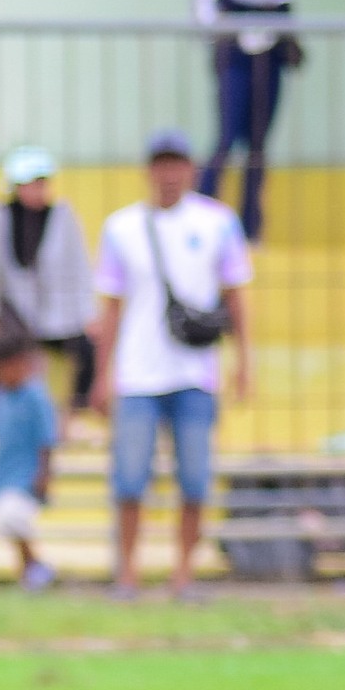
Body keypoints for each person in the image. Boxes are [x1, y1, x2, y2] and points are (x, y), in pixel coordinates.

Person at [92, 128, 251, 599]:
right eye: (160, 164)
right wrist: (104, 374)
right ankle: (129, 574)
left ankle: (184, 574)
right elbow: (111, 308)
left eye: (176, 163)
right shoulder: (121, 228)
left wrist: (244, 360)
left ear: (191, 169)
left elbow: (237, 295)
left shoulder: (218, 223)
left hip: (195, 374)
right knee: (129, 479)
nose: (168, 174)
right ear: (148, 170)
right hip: (137, 374)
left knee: (195, 480)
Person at [190, 0, 297, 242]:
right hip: (231, 56)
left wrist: (249, 9)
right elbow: (223, 4)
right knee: (226, 138)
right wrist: (259, 11)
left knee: (258, 145)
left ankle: (251, 227)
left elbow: (284, 7)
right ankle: (200, 216)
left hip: (268, 60)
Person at [0, 145, 96, 416]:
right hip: (15, 318)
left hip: (59, 317)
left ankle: (78, 412)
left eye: (40, 183)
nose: (35, 190)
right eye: (29, 183)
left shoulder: (63, 217)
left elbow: (79, 269)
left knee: (90, 351)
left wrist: (88, 314)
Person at [0, 330, 59, 590]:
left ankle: (35, 565)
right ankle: (30, 571)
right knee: (4, 522)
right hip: (5, 472)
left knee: (11, 517)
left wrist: (45, 474)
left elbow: (47, 439)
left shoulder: (35, 396)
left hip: (27, 475)